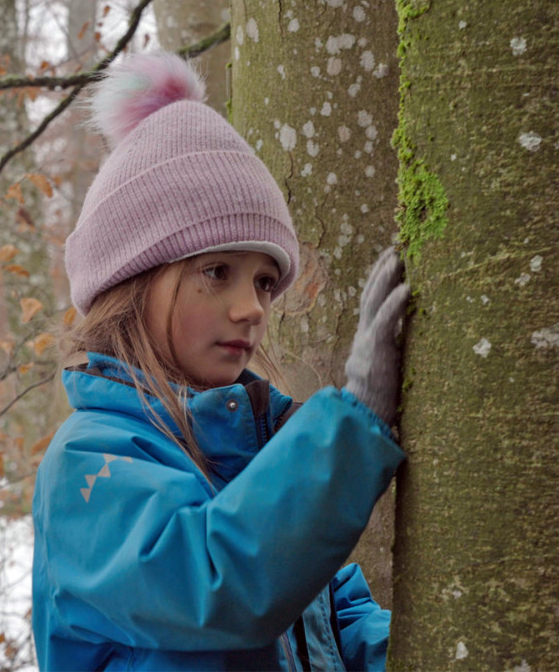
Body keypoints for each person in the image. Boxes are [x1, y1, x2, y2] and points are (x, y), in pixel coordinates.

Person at [31, 51, 409, 671]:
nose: (251, 308)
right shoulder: (90, 461)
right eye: (216, 272)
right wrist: (353, 421)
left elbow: (324, 619)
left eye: (263, 282)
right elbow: (217, 584)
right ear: (133, 282)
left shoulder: (252, 451)